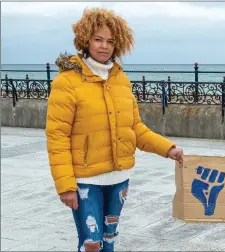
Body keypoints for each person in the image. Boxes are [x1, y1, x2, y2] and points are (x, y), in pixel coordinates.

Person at [45, 8, 184, 252]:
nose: (104, 46)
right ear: (85, 40)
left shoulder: (121, 79)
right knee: (91, 243)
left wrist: (168, 148)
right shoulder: (66, 81)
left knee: (109, 239)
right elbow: (57, 137)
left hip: (119, 178)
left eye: (110, 41)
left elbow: (135, 128)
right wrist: (65, 186)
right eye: (98, 39)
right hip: (85, 181)